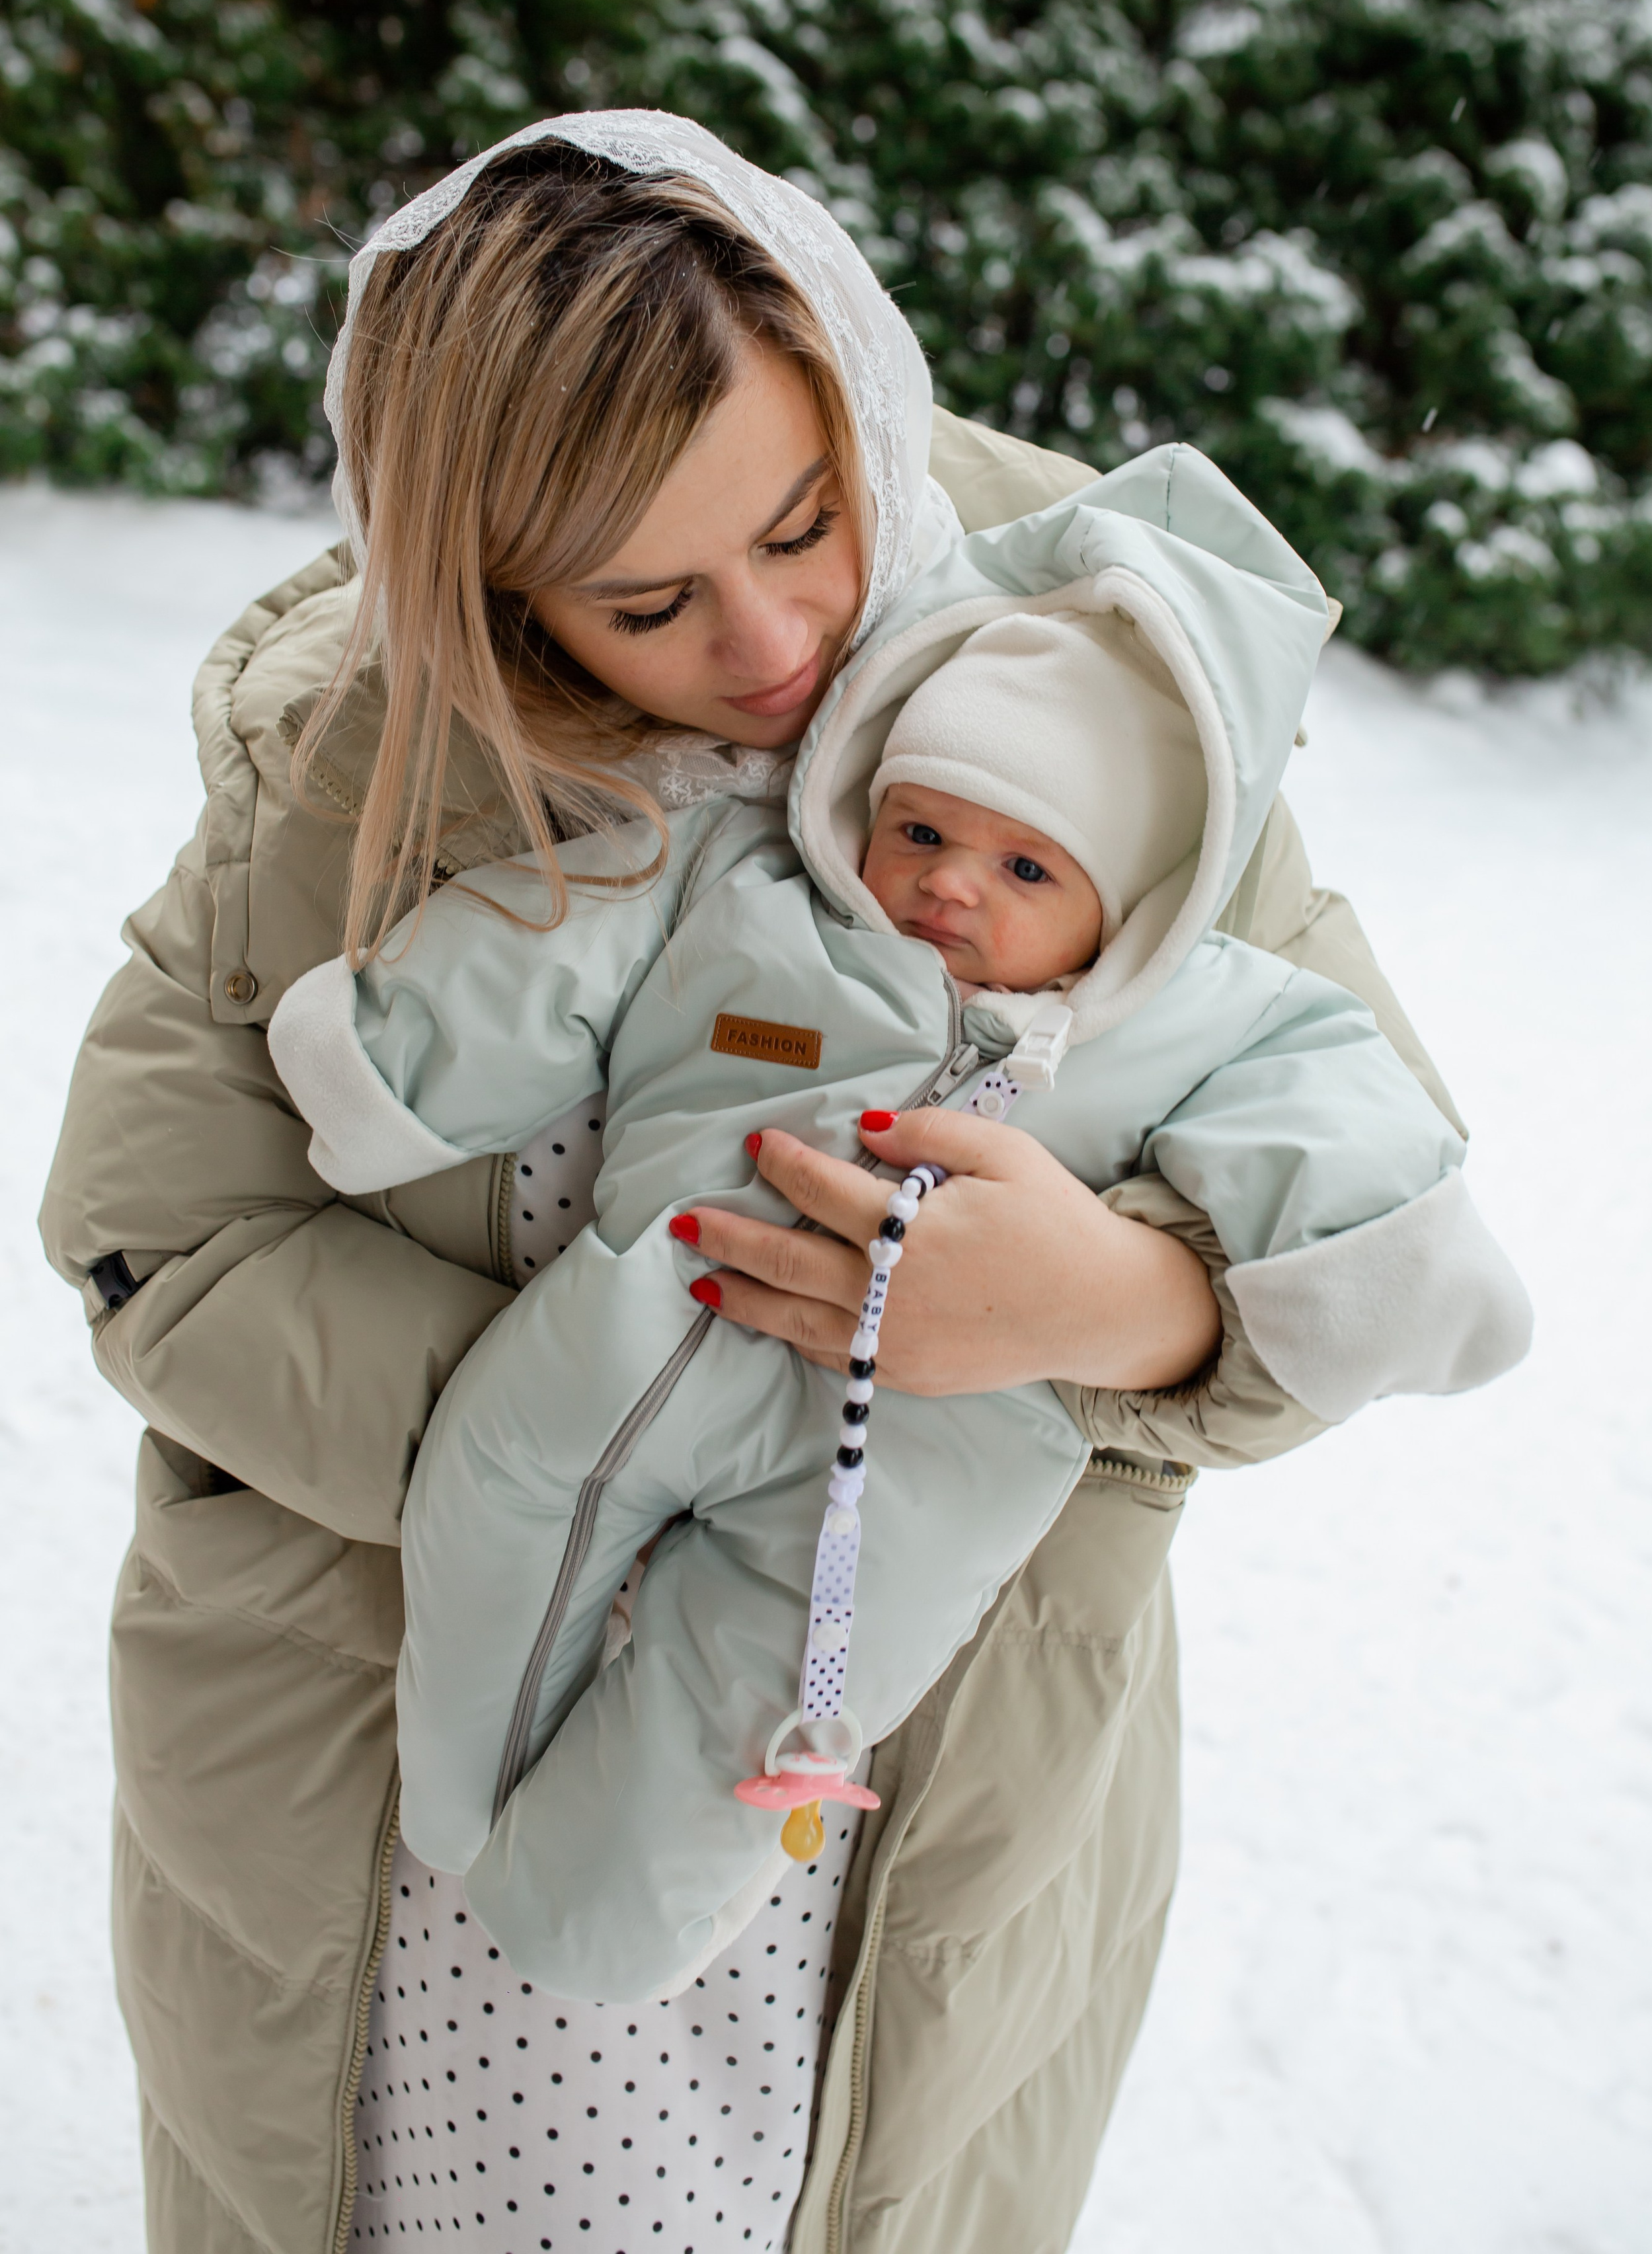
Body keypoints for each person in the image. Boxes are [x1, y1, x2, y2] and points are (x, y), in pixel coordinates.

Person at [38, 111, 1490, 2254]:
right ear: (494, 588)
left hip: (895, 1774)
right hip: (416, 1772)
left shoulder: (1113, 675)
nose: (777, 630)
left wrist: (1113, 1304)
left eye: (810, 521)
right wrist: (593, 1444)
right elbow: (156, 1235)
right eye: (647, 599)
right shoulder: (356, 749)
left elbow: (1369, 1209)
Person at [266, 524, 1527, 2017]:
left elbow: (1350, 1148)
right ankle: (457, 1806)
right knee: (494, 1499)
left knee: (757, 1695)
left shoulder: (1204, 1021)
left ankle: (582, 1914)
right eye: (920, 831)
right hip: (639, 1321)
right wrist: (392, 1054)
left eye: (1022, 865)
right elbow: (547, 948)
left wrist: (1276, 1291)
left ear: (1126, 900)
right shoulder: (747, 884)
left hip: (919, 1471)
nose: (946, 888)